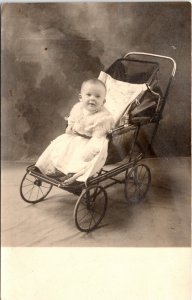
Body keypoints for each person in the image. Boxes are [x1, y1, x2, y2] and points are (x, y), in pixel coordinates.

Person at [34, 79, 114, 184]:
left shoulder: (103, 118)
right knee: (59, 145)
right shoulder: (78, 108)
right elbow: (72, 119)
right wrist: (70, 126)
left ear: (103, 101)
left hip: (90, 142)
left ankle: (72, 174)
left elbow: (98, 138)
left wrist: (90, 151)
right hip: (75, 137)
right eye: (88, 95)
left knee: (80, 156)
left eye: (97, 96)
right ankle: (44, 167)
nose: (92, 99)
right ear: (81, 97)